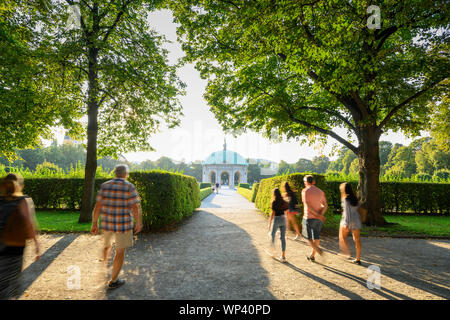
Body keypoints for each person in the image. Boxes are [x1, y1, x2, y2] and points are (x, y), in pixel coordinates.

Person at [91, 164, 143, 290]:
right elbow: (135, 207)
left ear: (115, 173)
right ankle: (113, 280)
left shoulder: (105, 185)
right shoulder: (129, 186)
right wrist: (138, 222)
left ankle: (104, 266)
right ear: (125, 174)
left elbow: (98, 206)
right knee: (120, 252)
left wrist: (94, 223)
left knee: (107, 245)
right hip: (123, 225)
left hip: (107, 223)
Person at [0, 173, 40, 300]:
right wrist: (36, 244)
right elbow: (29, 223)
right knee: (11, 280)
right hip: (14, 246)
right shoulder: (23, 200)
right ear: (19, 185)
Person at [301, 175, 327, 262]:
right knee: (316, 237)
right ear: (314, 182)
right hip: (318, 219)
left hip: (308, 217)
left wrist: (316, 215)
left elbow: (307, 205)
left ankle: (318, 251)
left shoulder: (305, 191)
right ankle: (312, 256)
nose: (304, 183)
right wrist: (321, 214)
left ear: (307, 182)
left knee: (308, 238)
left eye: (304, 182)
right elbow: (325, 205)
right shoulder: (321, 191)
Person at [338, 182, 362, 265]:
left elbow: (347, 212)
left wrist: (347, 224)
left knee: (342, 236)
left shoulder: (345, 199)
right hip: (356, 220)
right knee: (357, 240)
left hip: (348, 220)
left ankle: (347, 252)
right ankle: (358, 258)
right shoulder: (355, 198)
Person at [268, 188, 289, 263]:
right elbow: (287, 212)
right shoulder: (283, 201)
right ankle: (283, 256)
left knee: (273, 235)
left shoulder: (274, 202)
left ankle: (272, 252)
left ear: (274, 194)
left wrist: (270, 223)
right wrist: (287, 222)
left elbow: (273, 214)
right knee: (282, 238)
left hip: (276, 219)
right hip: (283, 219)